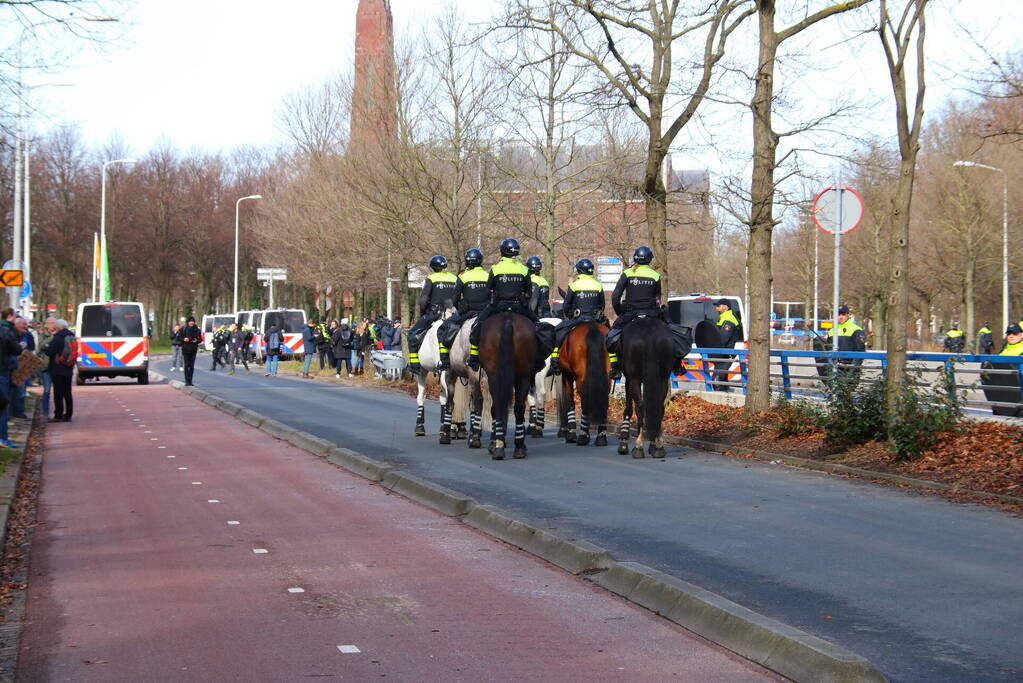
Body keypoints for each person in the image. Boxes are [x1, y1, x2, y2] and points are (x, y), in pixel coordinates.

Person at [468, 238, 537, 371]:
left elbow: (488, 291)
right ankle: (539, 358)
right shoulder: (524, 269)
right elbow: (529, 292)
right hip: (519, 307)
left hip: (498, 306)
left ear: (502, 252)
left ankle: (474, 357)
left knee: (477, 325)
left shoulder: (495, 268)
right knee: (539, 327)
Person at [605, 246, 662, 380]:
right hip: (651, 314)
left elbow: (615, 297)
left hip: (630, 314)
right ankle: (677, 365)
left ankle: (615, 367)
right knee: (672, 333)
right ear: (649, 260)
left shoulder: (627, 273)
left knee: (611, 338)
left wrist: (620, 313)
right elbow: (658, 299)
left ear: (635, 258)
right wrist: (657, 311)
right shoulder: (655, 275)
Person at [549, 259, 605, 375]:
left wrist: (569, 315)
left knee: (557, 331)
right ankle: (615, 362)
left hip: (577, 320)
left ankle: (554, 360)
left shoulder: (573, 285)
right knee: (611, 335)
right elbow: (602, 305)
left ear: (579, 271)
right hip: (595, 319)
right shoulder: (598, 285)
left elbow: (566, 305)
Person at [437, 248, 489, 371]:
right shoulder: (488, 275)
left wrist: (459, 307)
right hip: (486, 313)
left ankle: (445, 362)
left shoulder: (463, 276)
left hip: (468, 313)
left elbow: (454, 298)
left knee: (442, 329)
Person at [408, 255, 458, 372]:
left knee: (412, 333)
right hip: (453, 314)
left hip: (435, 313)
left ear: (433, 267)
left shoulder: (431, 278)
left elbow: (423, 299)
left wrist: (423, 313)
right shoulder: (454, 278)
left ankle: (414, 365)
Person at [42, 319, 76, 423]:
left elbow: (49, 352)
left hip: (58, 368)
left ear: (59, 327)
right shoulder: (72, 336)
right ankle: (69, 414)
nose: (55, 328)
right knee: (68, 393)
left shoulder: (58, 337)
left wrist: (47, 347)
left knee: (58, 393)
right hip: (69, 368)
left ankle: (58, 415)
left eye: (56, 327)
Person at [711, 298, 744, 391]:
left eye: (718, 306)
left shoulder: (729, 319)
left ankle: (719, 400)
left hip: (726, 353)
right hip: (722, 353)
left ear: (725, 307)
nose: (716, 308)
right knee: (722, 378)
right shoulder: (724, 318)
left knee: (717, 379)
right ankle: (724, 398)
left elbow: (723, 338)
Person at [0, 308, 22, 446]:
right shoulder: (5, 332)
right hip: (2, 372)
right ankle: (3, 438)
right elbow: (16, 349)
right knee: (2, 404)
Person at [11, 317, 32, 419]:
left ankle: (19, 411)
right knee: (16, 390)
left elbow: (32, 347)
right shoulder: (12, 335)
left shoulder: (26, 335)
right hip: (13, 365)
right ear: (17, 324)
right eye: (23, 324)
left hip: (23, 365)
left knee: (21, 390)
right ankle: (15, 411)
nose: (25, 326)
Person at [35, 318, 55, 420]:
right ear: (47, 325)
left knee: (58, 391)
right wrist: (51, 337)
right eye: (52, 323)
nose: (54, 325)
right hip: (46, 366)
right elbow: (42, 346)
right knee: (47, 390)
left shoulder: (59, 335)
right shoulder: (43, 335)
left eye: (55, 323)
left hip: (57, 366)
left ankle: (57, 413)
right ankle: (45, 414)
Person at [175, 316, 202, 386]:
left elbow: (200, 339)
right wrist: (184, 339)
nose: (191, 323)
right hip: (185, 348)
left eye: (192, 321)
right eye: (190, 321)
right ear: (188, 322)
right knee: (186, 365)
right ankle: (187, 381)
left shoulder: (197, 329)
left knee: (192, 365)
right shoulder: (183, 329)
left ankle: (190, 380)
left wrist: (197, 340)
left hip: (193, 348)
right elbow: (178, 337)